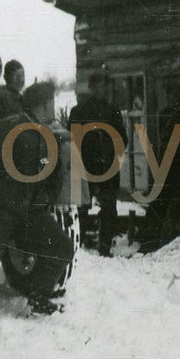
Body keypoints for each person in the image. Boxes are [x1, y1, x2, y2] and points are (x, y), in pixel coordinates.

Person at [0, 81, 66, 336]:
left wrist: (43, 199)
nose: (53, 106)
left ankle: (39, 299)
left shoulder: (47, 136)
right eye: (51, 102)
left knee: (61, 247)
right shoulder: (9, 128)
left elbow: (51, 170)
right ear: (41, 105)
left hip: (27, 212)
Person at [68, 68, 128, 256]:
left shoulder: (113, 111)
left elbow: (122, 139)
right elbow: (73, 139)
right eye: (97, 86)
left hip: (108, 166)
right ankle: (79, 246)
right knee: (82, 208)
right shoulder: (78, 111)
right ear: (91, 88)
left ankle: (104, 246)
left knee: (109, 208)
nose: (100, 90)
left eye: (103, 86)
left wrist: (109, 153)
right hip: (85, 166)